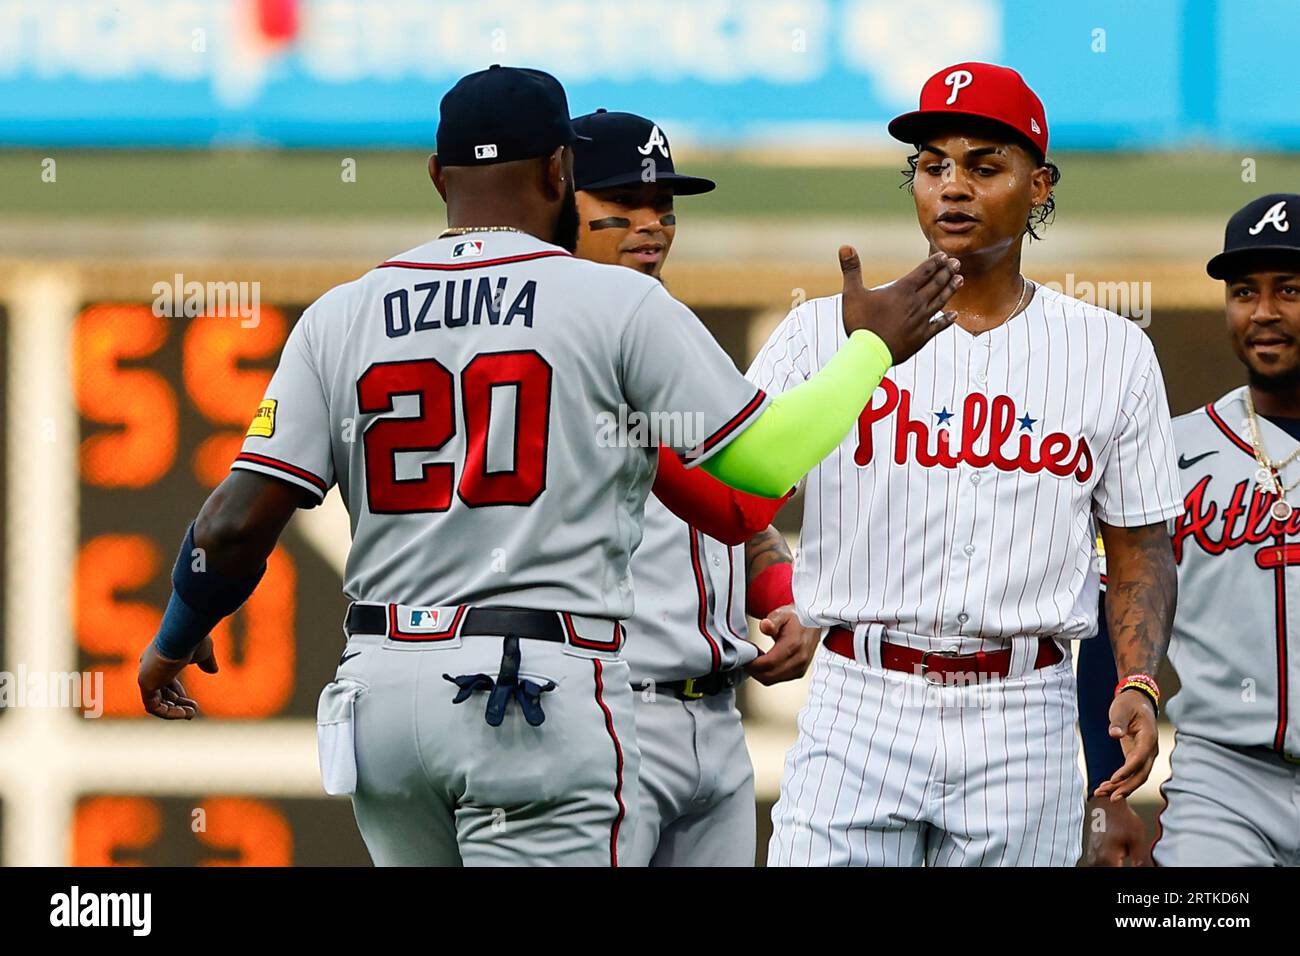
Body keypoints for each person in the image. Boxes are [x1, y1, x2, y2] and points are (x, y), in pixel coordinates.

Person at [135, 65, 963, 866]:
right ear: (562, 171)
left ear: (436, 176)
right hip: (528, 691)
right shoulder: (612, 303)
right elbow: (763, 466)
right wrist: (872, 347)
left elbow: (233, 523)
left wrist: (174, 637)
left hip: (379, 694)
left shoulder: (341, 313)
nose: (651, 221)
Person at [752, 61, 1182, 867]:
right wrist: (779, 584)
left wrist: (1137, 680)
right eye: (932, 165)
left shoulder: (1112, 351)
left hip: (1025, 707)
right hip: (860, 695)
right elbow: (730, 479)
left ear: (1040, 185)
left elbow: (1139, 546)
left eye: (984, 166)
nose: (952, 187)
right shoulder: (823, 331)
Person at [570, 108, 821, 867]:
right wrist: (872, 350)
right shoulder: (560, 340)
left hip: (714, 717)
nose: (652, 222)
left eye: (664, 205)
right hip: (604, 710)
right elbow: (741, 497)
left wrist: (776, 588)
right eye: (625, 201)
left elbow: (737, 523)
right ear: (559, 201)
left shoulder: (668, 326)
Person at [1084, 193, 1300, 866]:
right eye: (1244, 291)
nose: (1262, 312)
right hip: (1225, 781)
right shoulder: (1170, 452)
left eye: (1289, 289)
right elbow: (1105, 621)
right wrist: (1103, 796)